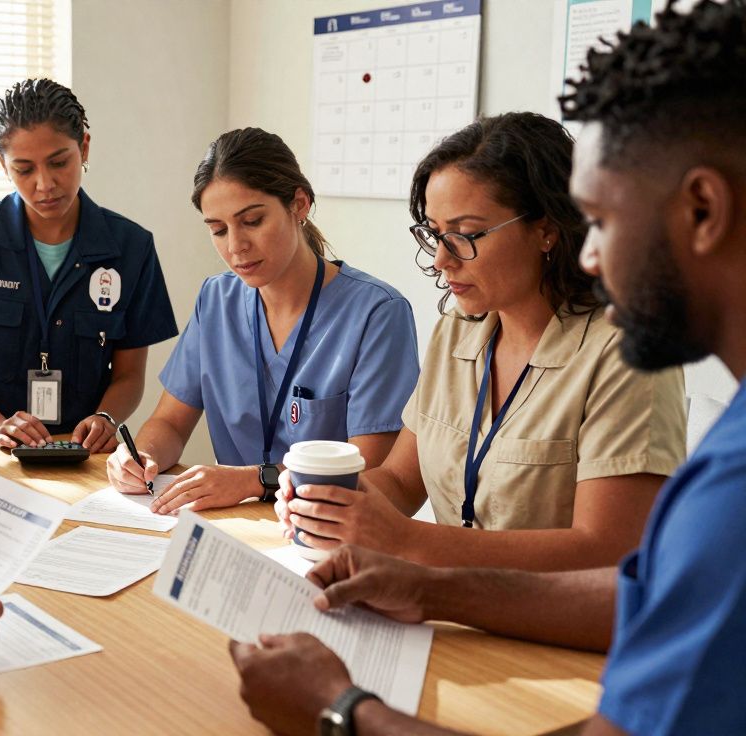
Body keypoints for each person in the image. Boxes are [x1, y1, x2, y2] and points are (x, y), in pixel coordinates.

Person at [234, 2, 746, 734]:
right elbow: (646, 596)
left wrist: (340, 711)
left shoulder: (716, 466)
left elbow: (614, 565)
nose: (592, 254)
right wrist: (420, 578)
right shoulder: (463, 329)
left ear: (702, 209)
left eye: (603, 220)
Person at [278, 112, 687, 571]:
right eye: (435, 234)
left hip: (547, 616)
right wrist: (327, 501)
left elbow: (609, 550)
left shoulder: (628, 353)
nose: (441, 259)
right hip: (446, 600)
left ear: (547, 229)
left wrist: (407, 540)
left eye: (465, 235)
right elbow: (400, 480)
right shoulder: (459, 329)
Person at [107, 128, 420, 514]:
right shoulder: (216, 300)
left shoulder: (377, 313)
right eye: (218, 230)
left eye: (252, 221)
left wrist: (253, 480)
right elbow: (169, 423)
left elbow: (371, 475)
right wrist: (141, 457)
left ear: (299, 205)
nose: (235, 246)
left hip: (326, 531)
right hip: (232, 525)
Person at [0, 79, 178, 452]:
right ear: (3, 165)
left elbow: (130, 374)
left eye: (59, 162)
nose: (45, 184)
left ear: (84, 147)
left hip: (77, 452)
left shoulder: (131, 248)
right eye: (24, 169)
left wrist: (106, 418)